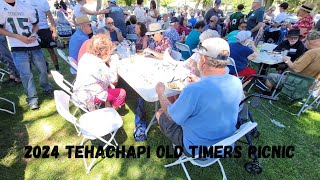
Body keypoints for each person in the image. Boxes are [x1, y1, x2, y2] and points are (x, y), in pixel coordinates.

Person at [155, 38, 243, 157]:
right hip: (225, 144)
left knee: (160, 113)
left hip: (198, 149)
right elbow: (214, 92)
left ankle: (178, 146)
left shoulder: (194, 90)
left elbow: (171, 116)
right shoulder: (236, 82)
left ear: (202, 60)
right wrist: (200, 81)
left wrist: (161, 93)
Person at [0, 0, 52, 110]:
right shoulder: (1, 7)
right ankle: (32, 98)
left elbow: (35, 25)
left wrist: (33, 35)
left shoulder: (26, 5)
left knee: (42, 69)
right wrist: (18, 37)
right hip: (17, 46)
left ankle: (46, 86)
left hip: (33, 44)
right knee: (26, 75)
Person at [73, 33, 126, 111]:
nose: (110, 53)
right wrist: (114, 62)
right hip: (88, 95)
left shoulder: (86, 56)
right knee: (121, 93)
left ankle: (107, 106)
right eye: (109, 50)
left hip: (80, 90)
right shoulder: (98, 63)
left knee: (109, 86)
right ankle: (113, 113)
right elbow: (113, 79)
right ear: (103, 50)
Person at [22, 0, 60, 71]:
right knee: (38, 52)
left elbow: (50, 18)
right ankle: (45, 67)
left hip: (44, 29)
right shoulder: (24, 2)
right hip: (33, 30)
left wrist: (54, 31)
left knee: (51, 50)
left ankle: (57, 68)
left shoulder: (43, 2)